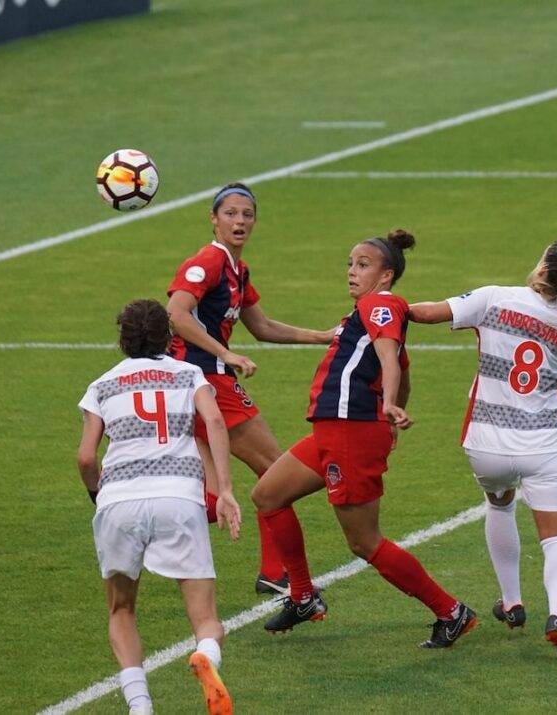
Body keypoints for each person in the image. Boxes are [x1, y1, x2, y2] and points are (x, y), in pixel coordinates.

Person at [251, 230, 477, 648]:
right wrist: (392, 412)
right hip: (334, 429)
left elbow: (392, 359)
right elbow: (403, 367)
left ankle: (450, 611)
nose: (352, 272)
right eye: (350, 264)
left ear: (386, 275)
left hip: (350, 432)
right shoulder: (367, 314)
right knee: (268, 496)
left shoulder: (380, 304)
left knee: (363, 541)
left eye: (363, 264)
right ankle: (302, 597)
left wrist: (389, 405)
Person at [408, 239, 557, 661]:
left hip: (487, 443)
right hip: (544, 445)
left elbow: (424, 313)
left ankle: (512, 602)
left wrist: (383, 304)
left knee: (500, 505)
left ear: (542, 267)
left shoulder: (494, 298)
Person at [166, 182, 334, 595]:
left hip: (195, 381)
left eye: (247, 215)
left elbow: (262, 327)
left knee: (209, 493)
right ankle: (277, 575)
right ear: (213, 218)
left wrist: (323, 336)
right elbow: (176, 313)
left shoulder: (237, 270)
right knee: (278, 473)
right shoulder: (207, 261)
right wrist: (228, 354)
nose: (240, 221)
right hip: (206, 381)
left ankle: (146, 523)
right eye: (231, 214)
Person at [77, 299, 242, 715]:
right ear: (168, 338)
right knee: (205, 616)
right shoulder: (189, 374)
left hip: (118, 502)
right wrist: (224, 490)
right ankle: (207, 654)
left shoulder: (102, 384)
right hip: (178, 498)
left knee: (121, 608)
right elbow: (216, 423)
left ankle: (140, 706)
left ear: (122, 339)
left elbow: (84, 457)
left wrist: (99, 494)